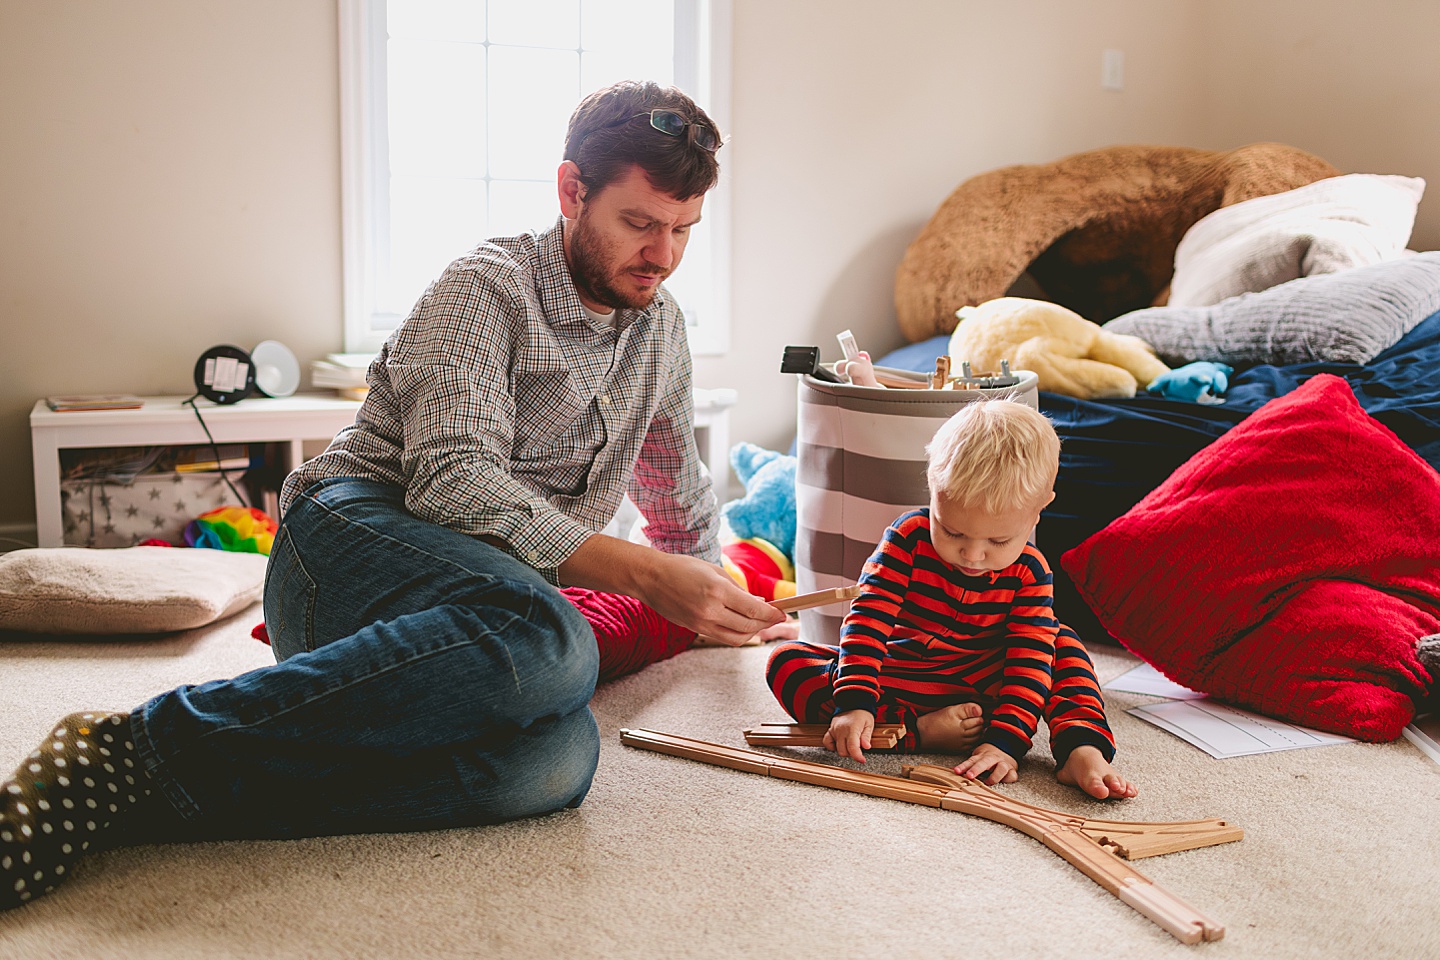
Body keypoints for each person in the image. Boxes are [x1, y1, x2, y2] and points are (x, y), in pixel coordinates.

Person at [0, 80, 785, 911]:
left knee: (555, 765)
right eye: (639, 223)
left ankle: (145, 797)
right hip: (347, 539)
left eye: (682, 230)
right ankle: (139, 748)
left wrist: (712, 598)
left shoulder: (662, 329)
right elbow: (453, 479)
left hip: (458, 632)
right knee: (553, 639)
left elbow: (676, 490)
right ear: (571, 191)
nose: (662, 254)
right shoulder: (485, 288)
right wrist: (647, 575)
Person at [765, 399, 1137, 800]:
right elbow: (868, 618)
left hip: (986, 692)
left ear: (1038, 512)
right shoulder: (907, 539)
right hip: (902, 679)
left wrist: (1006, 743)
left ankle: (1082, 749)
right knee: (785, 662)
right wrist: (855, 703)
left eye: (998, 541)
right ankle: (915, 732)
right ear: (932, 489)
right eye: (953, 532)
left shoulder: (1030, 572)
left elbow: (1028, 666)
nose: (973, 555)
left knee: (1060, 644)